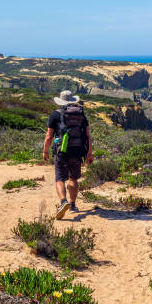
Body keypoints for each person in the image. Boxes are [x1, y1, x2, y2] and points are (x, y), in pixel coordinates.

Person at [43, 90, 94, 219]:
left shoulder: (55, 115)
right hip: (78, 150)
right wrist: (89, 153)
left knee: (60, 178)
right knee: (73, 178)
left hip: (61, 151)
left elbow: (49, 136)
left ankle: (63, 202)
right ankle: (72, 205)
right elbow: (87, 135)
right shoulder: (81, 115)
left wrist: (45, 151)